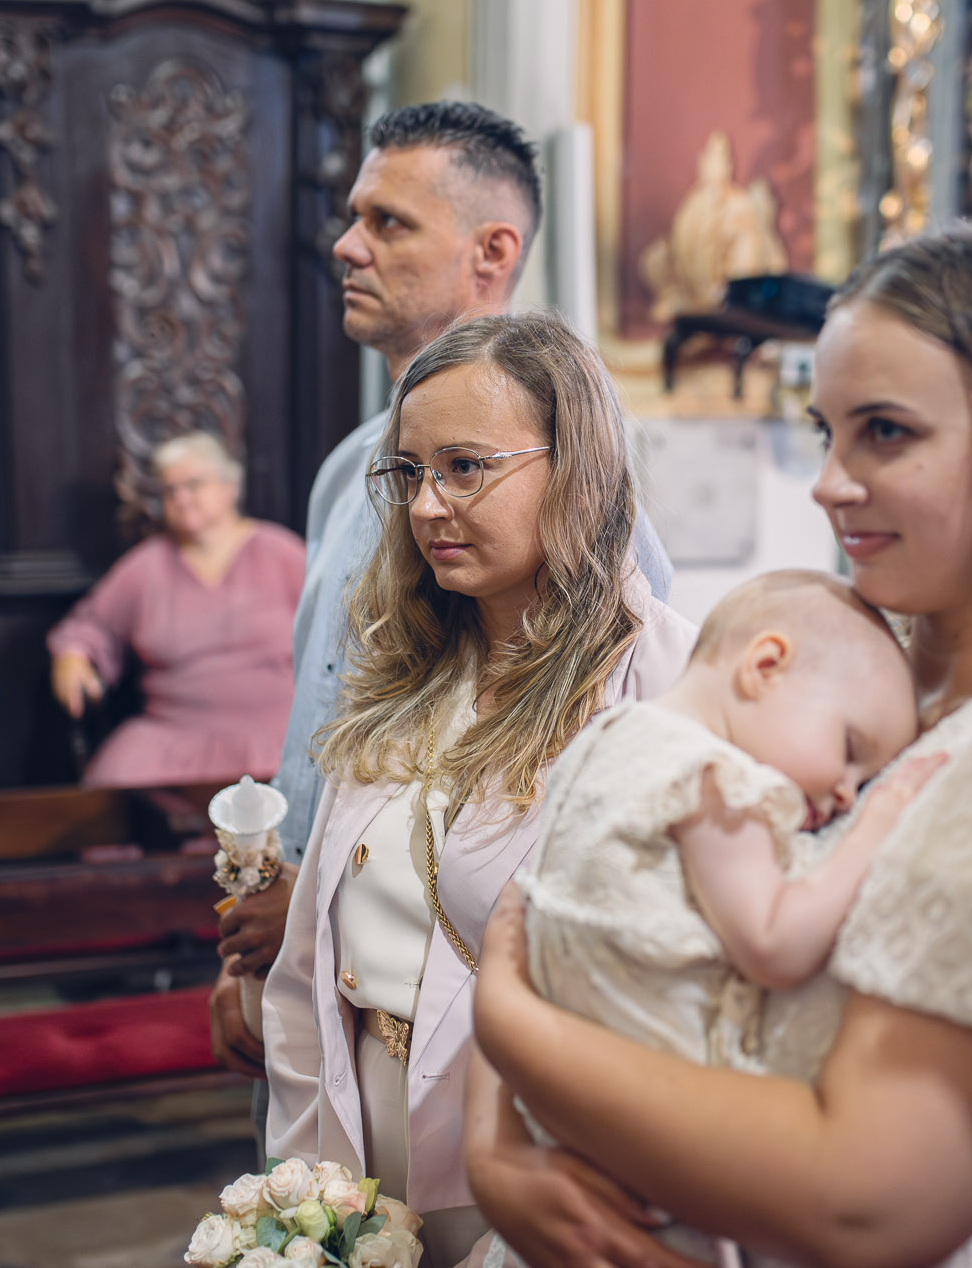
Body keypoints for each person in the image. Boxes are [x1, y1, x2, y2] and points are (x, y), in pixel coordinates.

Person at [467, 221, 972, 1268]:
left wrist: (506, 1027)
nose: (828, 481)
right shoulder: (859, 670)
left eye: (885, 432)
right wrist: (494, 1145)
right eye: (827, 430)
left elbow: (865, 1203)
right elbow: (592, 888)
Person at [206, 101, 674, 1076]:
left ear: (491, 251)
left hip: (454, 1017)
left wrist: (326, 905)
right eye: (353, 218)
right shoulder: (347, 473)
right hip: (303, 947)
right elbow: (323, 719)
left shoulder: (586, 495)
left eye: (388, 222)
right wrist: (267, 930)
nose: (347, 246)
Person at [260, 314, 696, 1268]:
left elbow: (676, 1006)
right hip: (361, 1130)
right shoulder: (405, 671)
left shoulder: (663, 682)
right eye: (411, 472)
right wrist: (302, 1197)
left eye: (465, 468)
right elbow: (306, 967)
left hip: (536, 1158)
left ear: (574, 468)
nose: (427, 506)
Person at [515, 570, 945, 1263]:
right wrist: (878, 824)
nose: (847, 793)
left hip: (564, 1110)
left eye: (865, 784)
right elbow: (773, 944)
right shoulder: (717, 781)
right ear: (765, 666)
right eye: (851, 752)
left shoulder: (608, 737)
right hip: (661, 1126)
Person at [46, 432, 304, 786]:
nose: (181, 498)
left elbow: (338, 625)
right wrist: (72, 657)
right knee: (113, 794)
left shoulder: (282, 553)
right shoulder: (144, 567)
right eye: (170, 491)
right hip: (172, 734)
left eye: (193, 485)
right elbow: (88, 627)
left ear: (231, 486)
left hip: (276, 734)